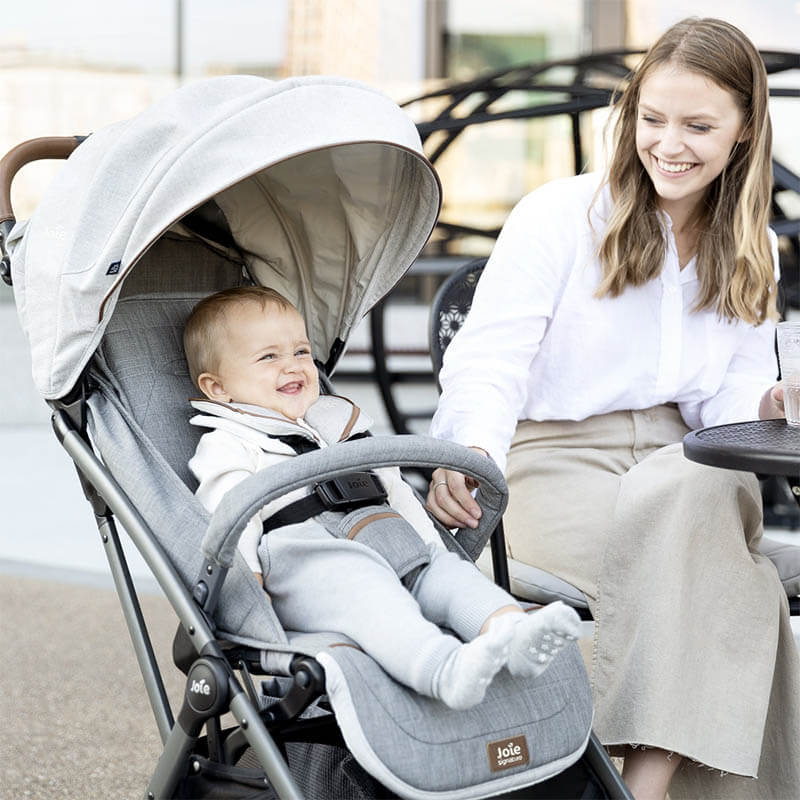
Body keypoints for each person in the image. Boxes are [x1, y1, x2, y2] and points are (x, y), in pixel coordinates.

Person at [426, 16, 800, 800]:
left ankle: (643, 782)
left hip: (683, 462)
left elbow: (722, 410)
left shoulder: (751, 243)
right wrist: (471, 454)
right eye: (653, 120)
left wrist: (769, 399)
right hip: (555, 463)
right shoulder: (559, 216)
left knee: (700, 497)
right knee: (743, 586)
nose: (669, 144)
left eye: (699, 125)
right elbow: (490, 360)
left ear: (743, 131)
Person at [183, 285, 581, 711]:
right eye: (269, 357)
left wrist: (428, 544)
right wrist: (249, 587)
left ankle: (509, 630)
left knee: (447, 574)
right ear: (218, 388)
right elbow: (230, 513)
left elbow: (392, 487)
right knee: (367, 590)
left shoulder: (338, 422)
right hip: (307, 565)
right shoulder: (228, 443)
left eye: (301, 351)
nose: (293, 365)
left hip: (385, 539)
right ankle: (441, 669)